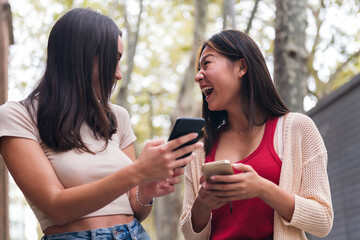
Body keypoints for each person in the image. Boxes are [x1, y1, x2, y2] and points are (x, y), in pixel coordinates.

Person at [0, 8, 203, 240]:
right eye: (114, 60)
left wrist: (146, 190)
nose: (118, 74)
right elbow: (55, 207)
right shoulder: (17, 116)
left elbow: (137, 210)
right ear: (82, 56)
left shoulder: (117, 117)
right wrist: (138, 171)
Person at [180, 30, 333, 240]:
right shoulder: (200, 149)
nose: (198, 76)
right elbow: (190, 235)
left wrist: (262, 188)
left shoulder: (297, 128)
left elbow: (323, 220)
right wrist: (202, 205)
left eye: (206, 64)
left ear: (242, 67)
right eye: (198, 69)